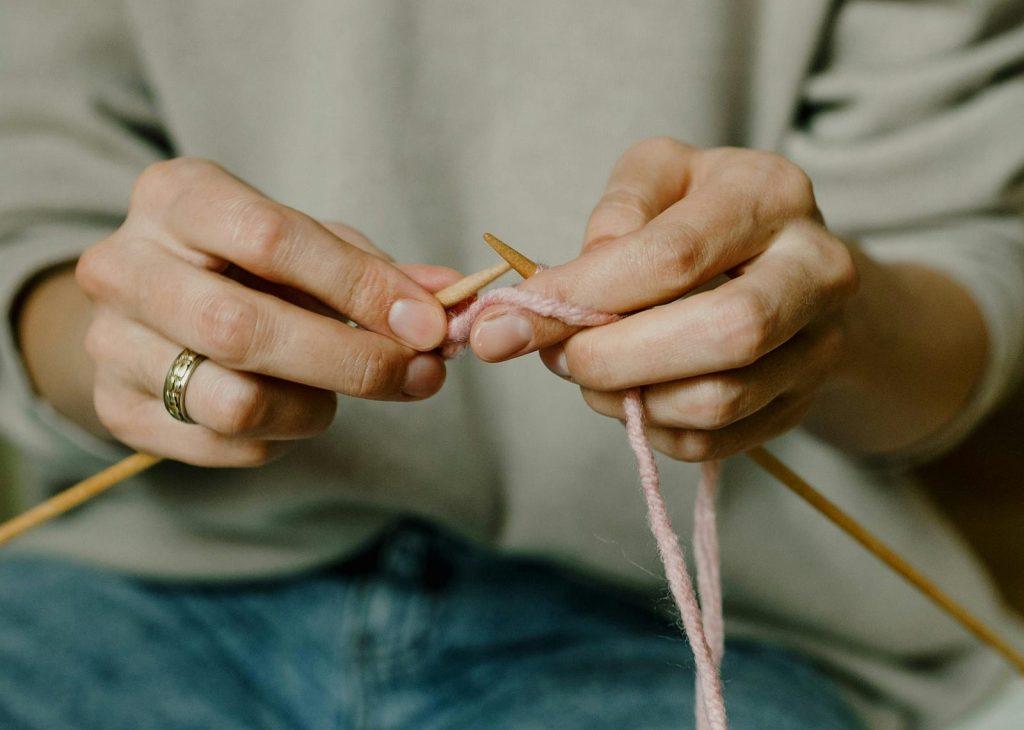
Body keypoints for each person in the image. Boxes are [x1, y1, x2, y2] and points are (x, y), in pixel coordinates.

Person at [2, 2, 1023, 728]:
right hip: (137, 590)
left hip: (688, 638)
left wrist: (822, 328)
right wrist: (132, 345)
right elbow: (31, 220)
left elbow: (965, 260)